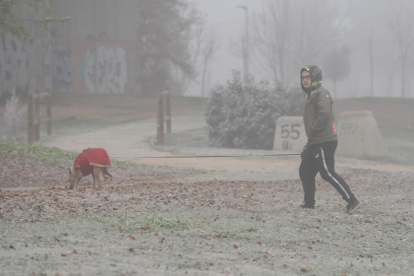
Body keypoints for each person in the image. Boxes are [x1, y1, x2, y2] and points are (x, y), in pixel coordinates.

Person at [299, 65, 361, 214]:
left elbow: (324, 114)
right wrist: (310, 140)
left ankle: (352, 201)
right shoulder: (311, 94)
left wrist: (312, 132)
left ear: (315, 78)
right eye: (303, 77)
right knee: (305, 171)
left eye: (308, 77)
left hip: (324, 141)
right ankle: (309, 204)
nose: (305, 80)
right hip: (315, 141)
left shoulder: (321, 94)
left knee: (327, 173)